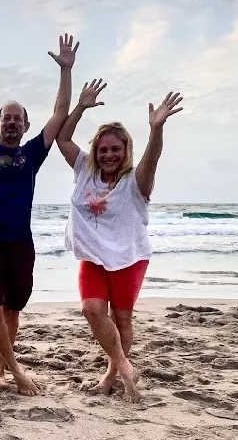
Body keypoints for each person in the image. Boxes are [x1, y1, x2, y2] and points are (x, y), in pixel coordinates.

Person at [0, 24, 75, 396]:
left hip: (20, 242)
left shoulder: (31, 155)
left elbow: (60, 112)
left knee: (12, 309)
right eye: (6, 118)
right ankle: (15, 369)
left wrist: (65, 69)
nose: (12, 122)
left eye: (18, 118)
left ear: (26, 125)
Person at [56, 78, 184, 402]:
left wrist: (156, 129)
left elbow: (152, 159)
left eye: (116, 149)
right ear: (96, 151)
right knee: (92, 310)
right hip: (92, 258)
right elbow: (62, 137)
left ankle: (112, 375)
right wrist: (81, 106)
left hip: (129, 256)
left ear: (126, 150)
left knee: (122, 317)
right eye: (103, 149)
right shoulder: (84, 168)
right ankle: (127, 368)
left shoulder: (136, 180)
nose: (109, 154)